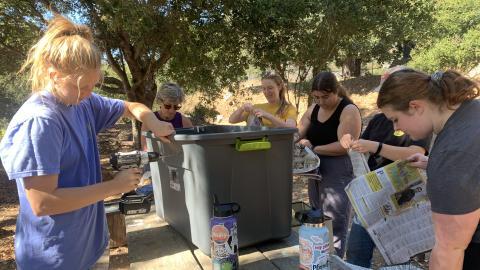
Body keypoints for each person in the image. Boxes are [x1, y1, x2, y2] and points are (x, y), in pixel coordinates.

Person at [0, 15, 174, 270]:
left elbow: (130, 106)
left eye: (93, 85)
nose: (89, 94)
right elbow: (42, 202)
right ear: (53, 75)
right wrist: (113, 186)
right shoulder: (40, 122)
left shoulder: (83, 102)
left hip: (85, 248)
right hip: (53, 258)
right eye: (82, 87)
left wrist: (153, 122)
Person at [377, 68, 480, 270]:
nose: (396, 129)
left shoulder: (452, 154)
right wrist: (431, 163)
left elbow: (449, 251)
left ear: (415, 106)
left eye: (395, 119)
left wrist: (442, 167)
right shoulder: (471, 111)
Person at [296, 71, 362, 256]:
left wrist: (314, 148)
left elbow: (344, 146)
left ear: (336, 91)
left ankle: (335, 262)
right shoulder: (314, 108)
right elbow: (298, 132)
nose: (321, 101)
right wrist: (289, 140)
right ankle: (319, 258)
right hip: (314, 167)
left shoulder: (348, 110)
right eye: (316, 97)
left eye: (325, 97)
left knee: (335, 220)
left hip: (338, 167)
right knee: (316, 215)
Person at [229, 71, 297, 128]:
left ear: (279, 87)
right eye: (264, 88)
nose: (266, 92)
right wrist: (242, 108)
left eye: (270, 88)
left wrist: (267, 115)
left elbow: (290, 128)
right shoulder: (257, 107)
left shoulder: (289, 109)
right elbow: (232, 120)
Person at [140, 82, 193, 150]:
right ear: (160, 102)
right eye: (167, 106)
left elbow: (192, 147)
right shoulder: (148, 121)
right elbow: (145, 148)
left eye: (176, 107)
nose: (172, 111)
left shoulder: (184, 121)